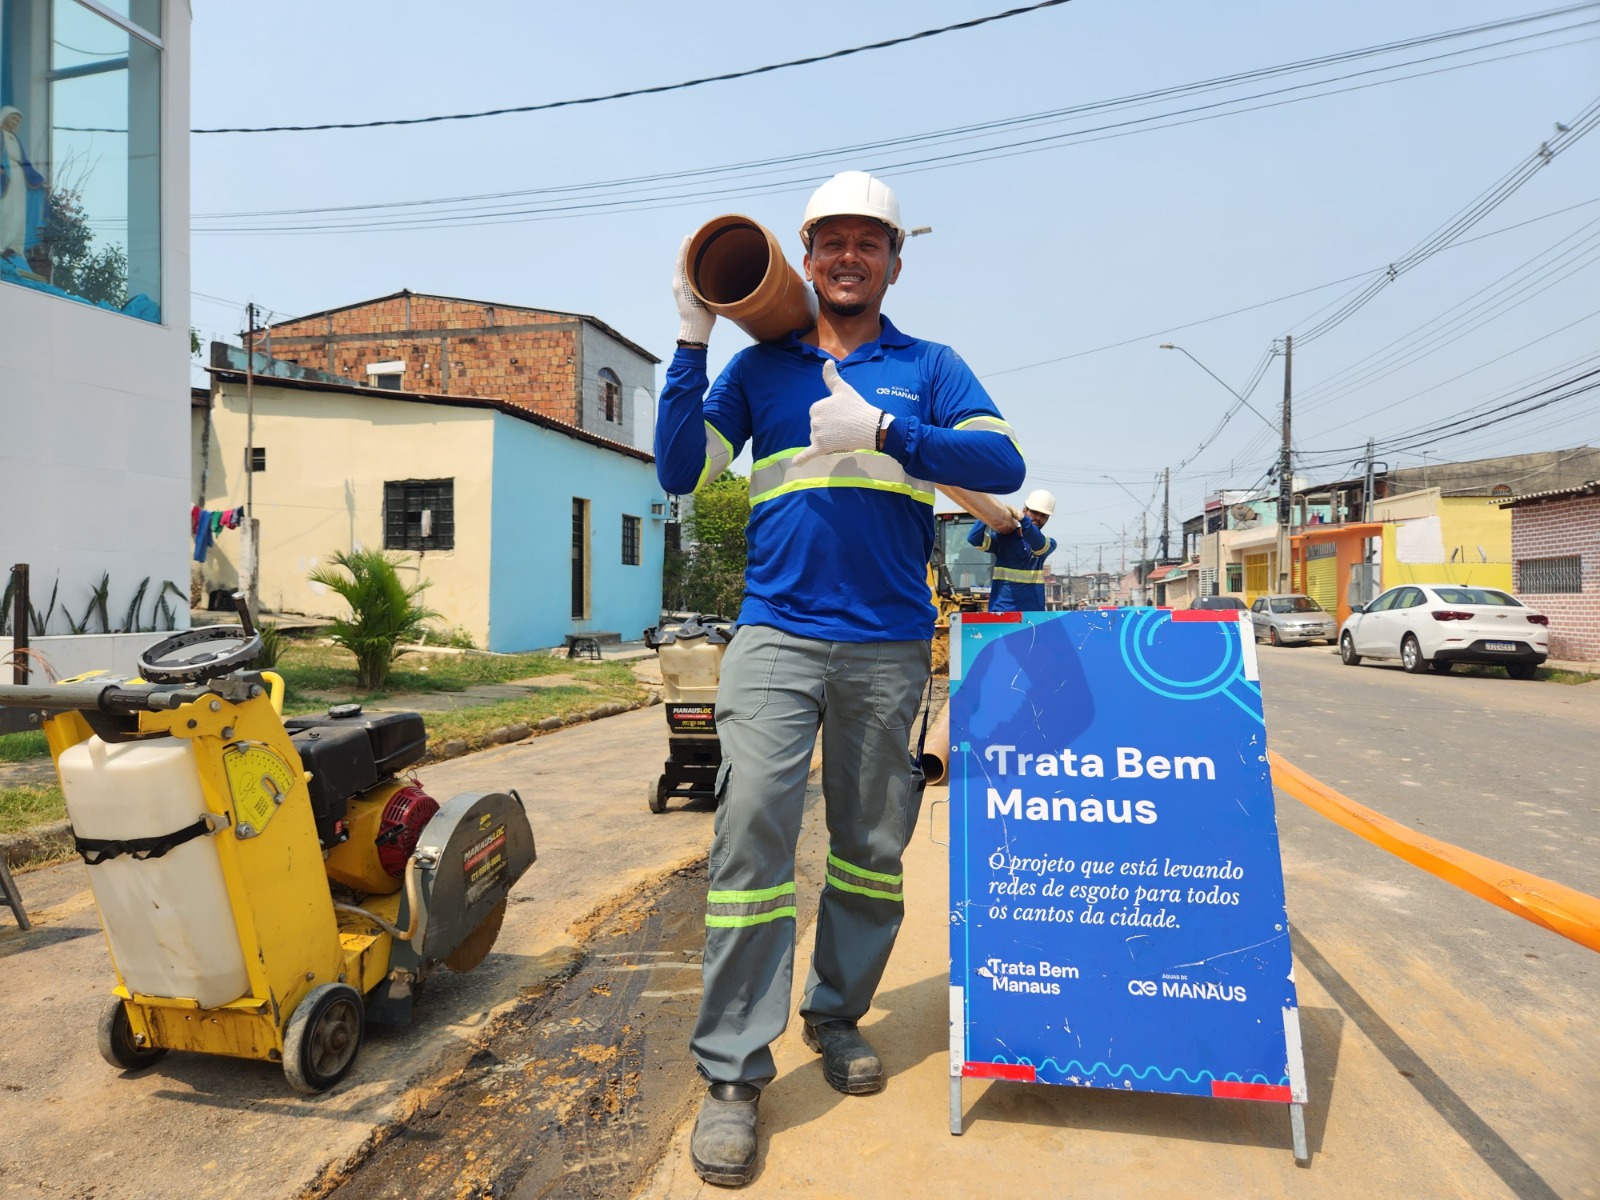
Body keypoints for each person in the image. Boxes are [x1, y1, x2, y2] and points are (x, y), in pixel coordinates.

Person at [656, 170, 1025, 1187]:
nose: (849, 257)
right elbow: (682, 471)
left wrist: (888, 432)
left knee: (869, 848)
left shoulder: (931, 367)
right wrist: (692, 343)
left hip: (889, 641)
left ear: (894, 260)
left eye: (870, 242)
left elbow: (998, 468)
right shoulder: (758, 369)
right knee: (751, 832)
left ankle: (834, 1015)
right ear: (806, 256)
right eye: (832, 242)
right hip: (775, 633)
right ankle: (733, 1072)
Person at [968, 489, 1058, 612]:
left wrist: (1022, 519)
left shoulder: (1047, 544)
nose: (1038, 518)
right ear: (1025, 510)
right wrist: (986, 514)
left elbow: (1037, 541)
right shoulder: (1003, 540)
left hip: (1032, 615)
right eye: (1034, 512)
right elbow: (974, 539)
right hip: (1001, 611)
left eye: (1043, 516)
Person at [0, 106, 47, 266]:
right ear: (4, 117)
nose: (15, 123)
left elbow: (25, 163)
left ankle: (14, 247)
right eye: (13, 118)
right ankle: (2, 245)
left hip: (18, 180)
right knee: (5, 210)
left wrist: (40, 181)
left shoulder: (15, 139)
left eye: (18, 121)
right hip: (5, 178)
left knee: (17, 213)